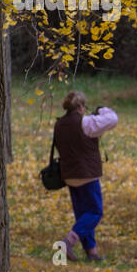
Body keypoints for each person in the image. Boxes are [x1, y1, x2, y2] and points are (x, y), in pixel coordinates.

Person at [54, 90, 119, 262]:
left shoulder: (60, 124)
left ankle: (92, 252)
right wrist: (102, 110)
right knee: (95, 212)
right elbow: (113, 119)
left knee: (83, 215)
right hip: (87, 175)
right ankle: (67, 242)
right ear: (81, 106)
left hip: (68, 175)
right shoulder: (86, 123)